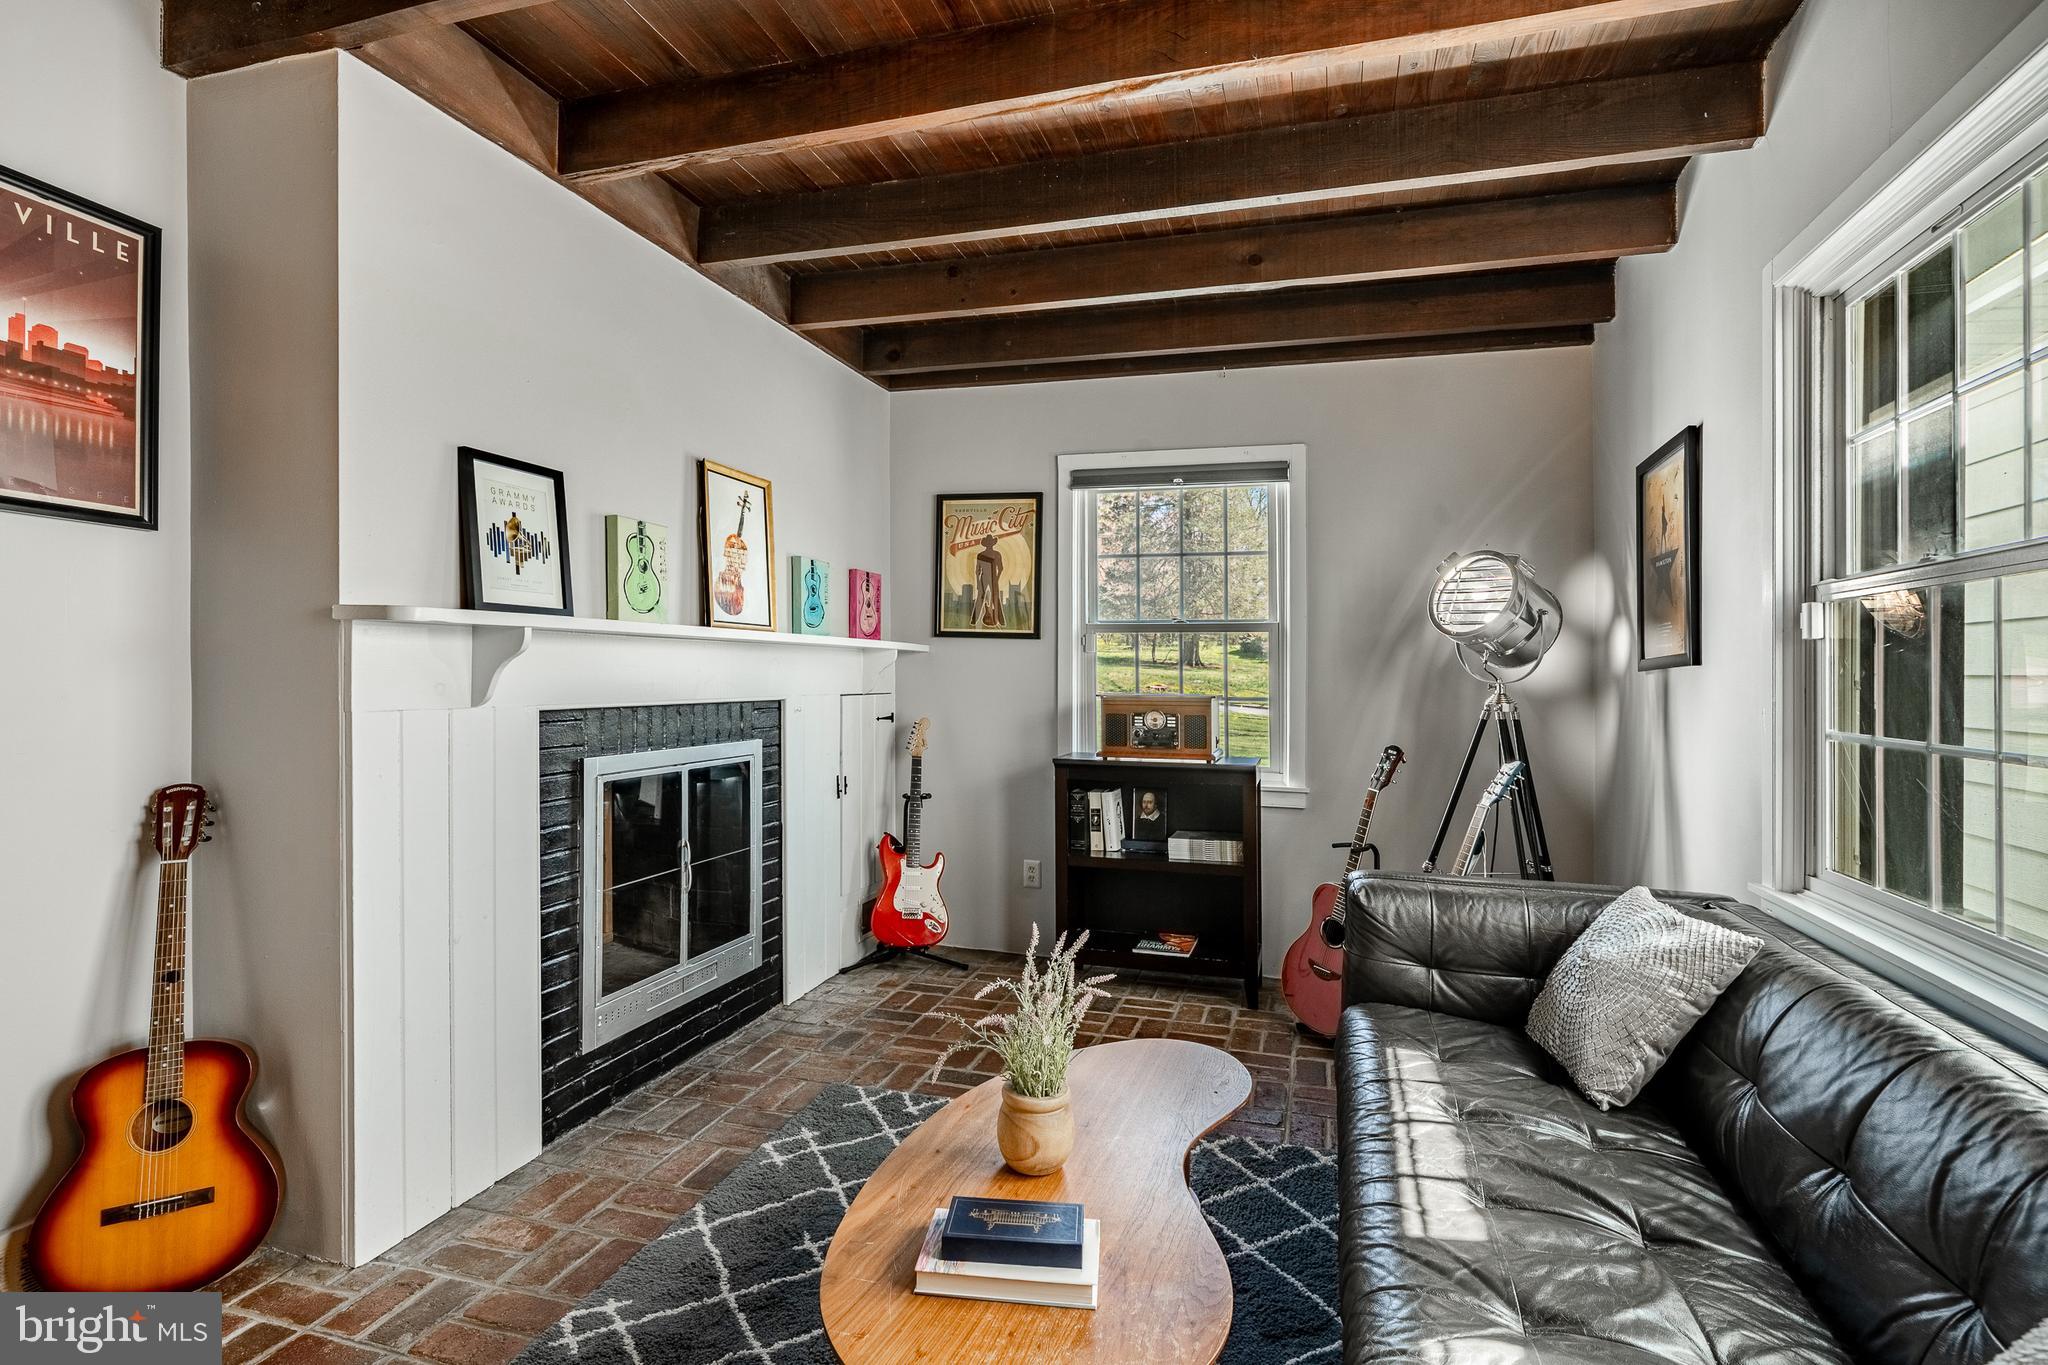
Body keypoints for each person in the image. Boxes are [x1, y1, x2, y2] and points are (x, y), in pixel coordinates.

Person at [973, 533, 1006, 628]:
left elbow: (1001, 568)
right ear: (986, 544)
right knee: (980, 598)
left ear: (992, 543)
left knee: (996, 598)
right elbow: (977, 571)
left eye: (990, 543)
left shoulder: (997, 554)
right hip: (984, 578)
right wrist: (979, 583)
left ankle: (999, 620)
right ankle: (975, 620)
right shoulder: (980, 555)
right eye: (988, 543)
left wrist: (996, 579)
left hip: (992, 578)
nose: (989, 544)